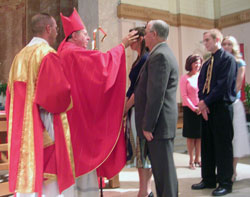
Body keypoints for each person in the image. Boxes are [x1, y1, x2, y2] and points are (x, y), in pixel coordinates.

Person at [57, 8, 138, 196]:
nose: (87, 38)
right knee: (80, 161)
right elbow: (103, 67)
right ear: (73, 36)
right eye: (84, 34)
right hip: (77, 120)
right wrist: (122, 45)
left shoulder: (64, 51)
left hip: (71, 117)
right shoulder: (72, 53)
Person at [5, 13, 75, 196]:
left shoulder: (18, 57)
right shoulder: (47, 54)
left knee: (29, 172)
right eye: (56, 28)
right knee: (50, 177)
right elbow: (56, 96)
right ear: (48, 29)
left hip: (22, 129)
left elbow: (10, 97)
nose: (57, 32)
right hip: (44, 125)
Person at [134, 20, 179, 197]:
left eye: (146, 32)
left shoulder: (159, 56)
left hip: (158, 126)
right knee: (162, 173)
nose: (144, 36)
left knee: (164, 174)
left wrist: (148, 125)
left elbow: (156, 95)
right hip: (159, 125)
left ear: (154, 34)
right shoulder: (160, 53)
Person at [191, 29, 237, 196]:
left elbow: (222, 85)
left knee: (223, 146)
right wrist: (202, 103)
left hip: (221, 107)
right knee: (208, 145)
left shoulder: (228, 60)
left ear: (217, 39)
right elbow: (201, 83)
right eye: (204, 40)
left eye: (207, 40)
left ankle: (225, 182)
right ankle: (208, 179)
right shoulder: (208, 62)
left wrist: (205, 102)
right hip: (207, 108)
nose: (205, 43)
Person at [124, 26, 153, 197]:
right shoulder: (139, 59)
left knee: (142, 151)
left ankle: (146, 190)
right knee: (138, 152)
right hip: (134, 107)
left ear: (140, 38)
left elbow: (140, 88)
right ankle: (143, 189)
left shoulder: (145, 59)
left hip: (139, 108)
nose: (129, 42)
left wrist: (127, 107)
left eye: (132, 38)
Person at [222, 36, 250, 181]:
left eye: (229, 44)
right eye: (224, 44)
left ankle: (233, 169)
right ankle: (225, 168)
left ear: (233, 46)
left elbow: (238, 85)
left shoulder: (239, 62)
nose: (226, 46)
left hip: (233, 102)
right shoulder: (220, 61)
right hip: (221, 103)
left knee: (236, 138)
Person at [180, 54, 202, 170]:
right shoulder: (185, 78)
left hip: (201, 108)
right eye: (195, 63)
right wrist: (194, 108)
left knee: (199, 136)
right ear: (190, 64)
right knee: (191, 136)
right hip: (189, 109)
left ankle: (198, 159)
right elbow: (184, 95)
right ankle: (191, 160)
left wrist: (201, 107)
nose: (197, 65)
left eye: (199, 62)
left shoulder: (202, 76)